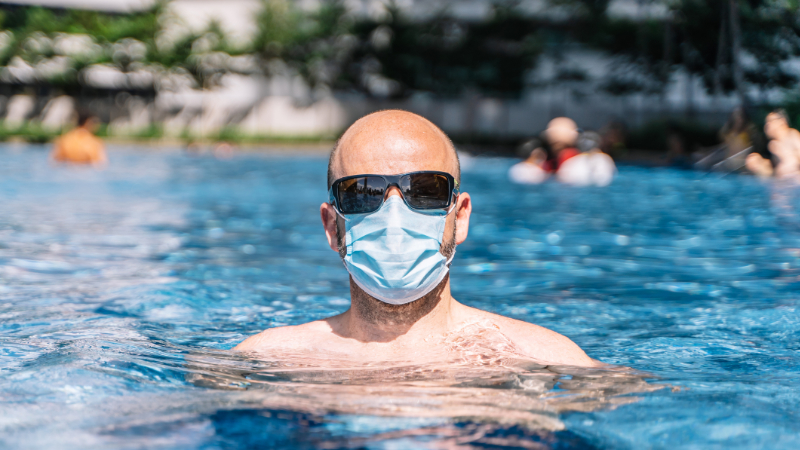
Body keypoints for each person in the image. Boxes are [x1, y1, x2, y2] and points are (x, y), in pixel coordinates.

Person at [235, 110, 595, 367]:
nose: (394, 216)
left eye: (426, 190)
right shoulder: (264, 362)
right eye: (363, 192)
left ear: (462, 216)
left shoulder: (547, 361)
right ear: (332, 226)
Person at [746, 109, 800, 179]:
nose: (767, 125)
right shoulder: (772, 145)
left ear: (782, 121)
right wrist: (759, 164)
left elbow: (793, 162)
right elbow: (772, 172)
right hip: (782, 183)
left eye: (770, 121)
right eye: (766, 122)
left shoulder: (792, 135)